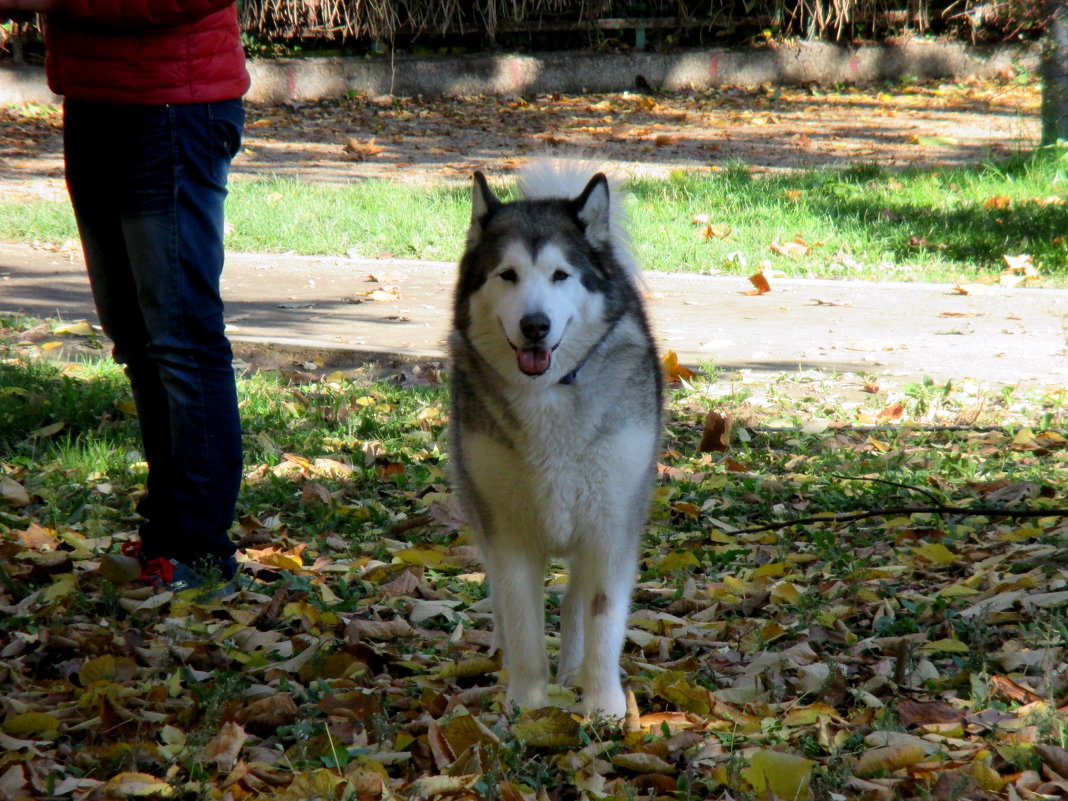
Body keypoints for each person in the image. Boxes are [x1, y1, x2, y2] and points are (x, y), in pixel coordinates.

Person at [1, 1, 249, 590]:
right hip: (95, 100)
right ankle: (167, 536)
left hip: (172, 108)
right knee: (135, 336)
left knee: (181, 338)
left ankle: (203, 552)